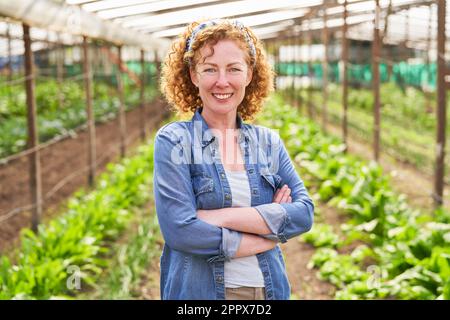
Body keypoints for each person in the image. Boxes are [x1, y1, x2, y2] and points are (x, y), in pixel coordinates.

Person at [153, 19, 314, 300]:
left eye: (234, 69)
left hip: (268, 290)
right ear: (193, 75)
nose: (222, 81)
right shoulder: (175, 140)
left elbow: (303, 214)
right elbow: (180, 231)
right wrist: (267, 236)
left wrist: (214, 217)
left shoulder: (268, 142)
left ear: (250, 74)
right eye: (210, 69)